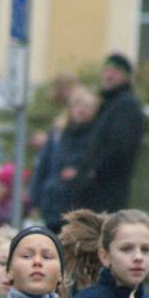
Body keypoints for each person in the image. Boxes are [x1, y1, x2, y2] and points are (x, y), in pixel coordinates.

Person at [28, 85, 100, 232]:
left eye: (88, 106)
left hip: (81, 204)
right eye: (79, 105)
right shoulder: (57, 134)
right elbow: (43, 166)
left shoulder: (96, 137)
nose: (82, 110)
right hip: (53, 203)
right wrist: (35, 198)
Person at [81, 54, 144, 213]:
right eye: (107, 70)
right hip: (97, 191)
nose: (109, 75)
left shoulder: (126, 106)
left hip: (109, 191)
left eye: (115, 71)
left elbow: (121, 145)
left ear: (126, 77)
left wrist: (94, 170)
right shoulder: (108, 105)